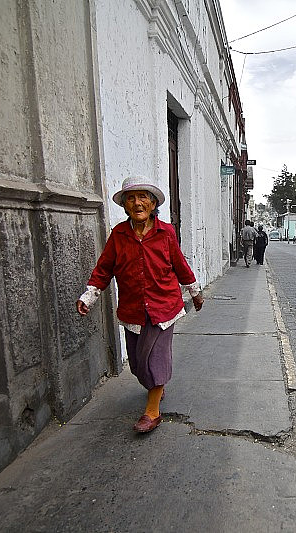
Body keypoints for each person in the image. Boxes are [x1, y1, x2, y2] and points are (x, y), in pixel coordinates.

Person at [76, 175, 204, 433]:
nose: (137, 203)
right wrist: (89, 296)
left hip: (163, 306)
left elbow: (179, 265)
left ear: (153, 202)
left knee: (154, 359)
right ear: (124, 205)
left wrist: (194, 292)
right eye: (131, 198)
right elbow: (104, 269)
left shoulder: (165, 232)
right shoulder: (119, 234)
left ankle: (152, 411)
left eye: (143, 197)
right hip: (133, 309)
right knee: (136, 363)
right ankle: (156, 387)